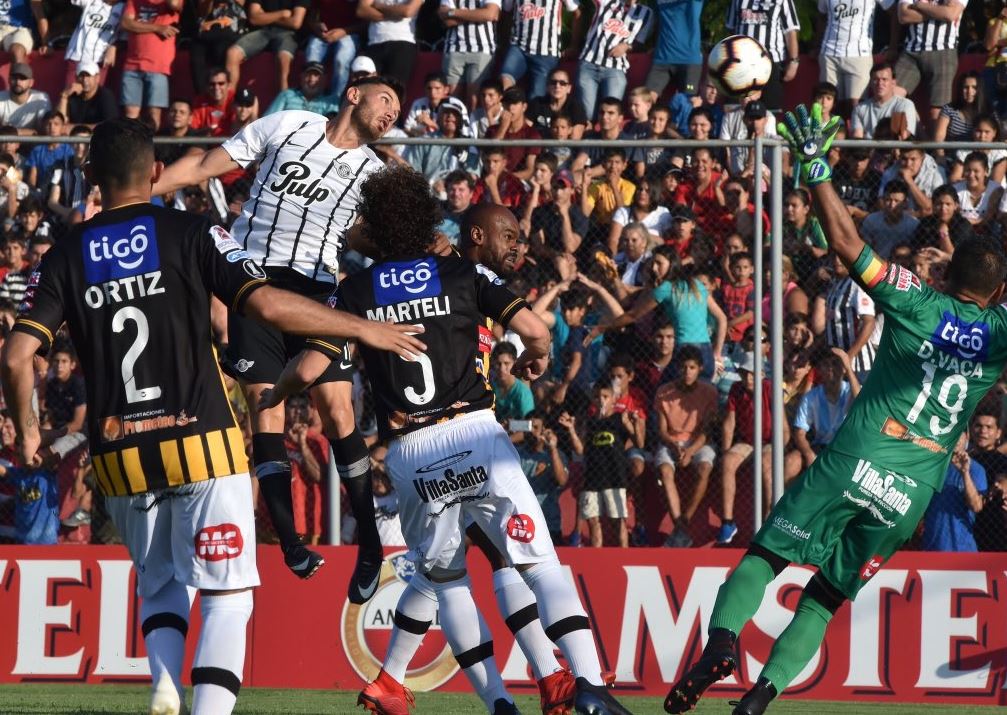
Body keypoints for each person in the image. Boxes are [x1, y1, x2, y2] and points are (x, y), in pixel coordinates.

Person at [0, 118, 423, 715]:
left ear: (91, 176)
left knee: (161, 583)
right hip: (202, 440)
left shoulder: (66, 253)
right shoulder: (195, 232)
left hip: (120, 454)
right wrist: (361, 326)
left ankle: (165, 681)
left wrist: (27, 430)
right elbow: (268, 303)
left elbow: (17, 357)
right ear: (154, 175)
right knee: (227, 595)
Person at [666, 102, 1007, 715]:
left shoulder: (916, 300)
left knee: (768, 555)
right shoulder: (1003, 332)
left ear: (946, 270)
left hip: (855, 458)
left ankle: (722, 643)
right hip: (913, 494)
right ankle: (760, 697)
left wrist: (816, 164)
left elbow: (848, 243)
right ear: (999, 293)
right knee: (823, 599)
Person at [259, 165, 632, 714]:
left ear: (377, 230)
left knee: (447, 579)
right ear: (428, 221)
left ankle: (488, 700)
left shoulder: (356, 292)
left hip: (411, 452)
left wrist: (275, 392)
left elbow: (309, 368)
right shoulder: (460, 276)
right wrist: (535, 354)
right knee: (537, 563)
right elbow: (535, 328)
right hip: (474, 433)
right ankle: (587, 684)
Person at [150, 76, 406, 595]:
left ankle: (371, 546)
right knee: (264, 408)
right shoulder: (288, 125)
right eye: (386, 101)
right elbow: (204, 166)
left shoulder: (374, 173)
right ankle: (290, 542)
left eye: (398, 109)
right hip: (252, 286)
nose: (391, 114)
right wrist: (142, 192)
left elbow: (367, 237)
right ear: (353, 94)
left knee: (337, 410)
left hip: (316, 295)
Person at [653, 344, 717, 547]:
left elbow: (707, 431)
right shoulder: (664, 392)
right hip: (671, 441)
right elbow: (662, 431)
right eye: (683, 367)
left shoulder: (709, 392)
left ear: (699, 369)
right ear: (677, 369)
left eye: (692, 367)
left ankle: (683, 523)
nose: (687, 372)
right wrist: (674, 446)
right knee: (664, 470)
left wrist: (690, 451)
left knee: (705, 467)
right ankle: (680, 528)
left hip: (697, 441)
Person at [573, 0, 653, 121]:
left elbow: (640, 43)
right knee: (587, 115)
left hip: (616, 69)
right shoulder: (607, 2)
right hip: (589, 63)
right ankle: (589, 138)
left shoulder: (646, 12)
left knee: (611, 114)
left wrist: (627, 46)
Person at [851, 62, 919, 139]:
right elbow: (857, 138)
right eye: (875, 79)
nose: (880, 83)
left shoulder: (905, 105)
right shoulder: (859, 108)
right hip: (869, 150)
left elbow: (904, 137)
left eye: (884, 79)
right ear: (870, 83)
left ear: (893, 83)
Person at [57, 61, 118, 128]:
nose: (85, 80)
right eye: (81, 75)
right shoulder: (72, 95)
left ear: (97, 78)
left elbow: (110, 126)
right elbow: (59, 125)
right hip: (75, 137)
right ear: (76, 78)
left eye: (88, 75)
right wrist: (64, 97)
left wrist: (74, 128)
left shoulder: (105, 96)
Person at [0, 63, 52, 133]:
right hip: (4, 143)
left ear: (31, 83)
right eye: (14, 78)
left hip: (34, 143)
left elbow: (46, 129)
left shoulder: (41, 98)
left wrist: (14, 133)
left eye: (22, 78)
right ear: (9, 80)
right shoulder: (1, 97)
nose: (18, 82)